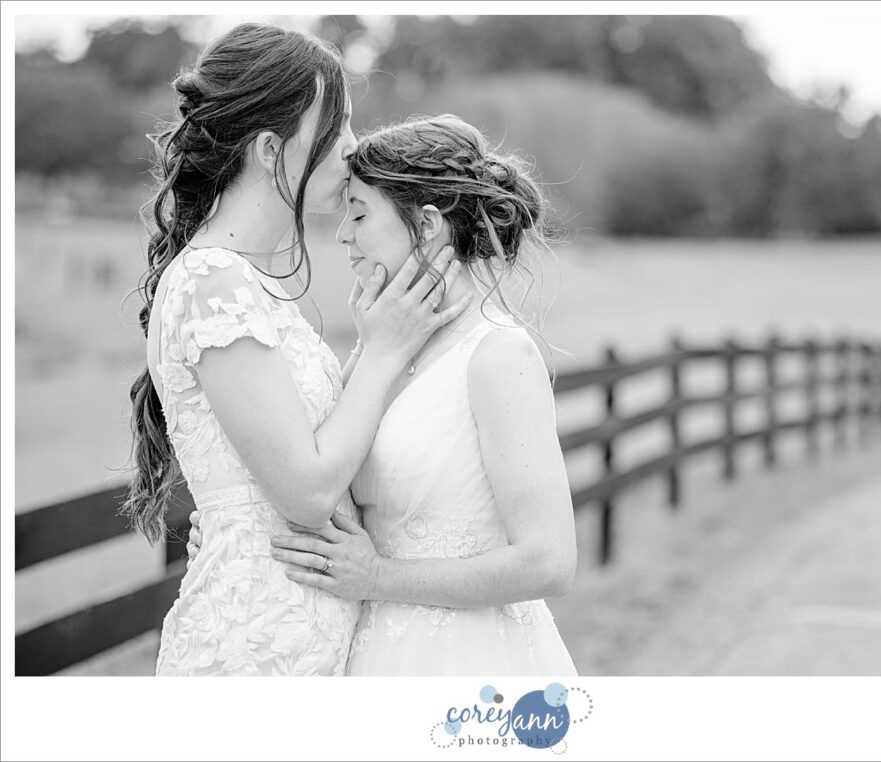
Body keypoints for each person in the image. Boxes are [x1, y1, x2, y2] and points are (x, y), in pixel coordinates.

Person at [122, 23, 469, 676]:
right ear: (269, 149)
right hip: (254, 649)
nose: (354, 145)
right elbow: (307, 493)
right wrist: (383, 353)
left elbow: (295, 458)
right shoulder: (213, 281)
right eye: (337, 126)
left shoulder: (246, 283)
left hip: (299, 640)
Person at [190, 114, 579, 675]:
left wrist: (378, 577)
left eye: (359, 213)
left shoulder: (499, 355)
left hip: (464, 659)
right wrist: (243, 529)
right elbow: (316, 477)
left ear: (426, 225)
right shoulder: (385, 354)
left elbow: (549, 561)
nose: (343, 234)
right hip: (373, 652)